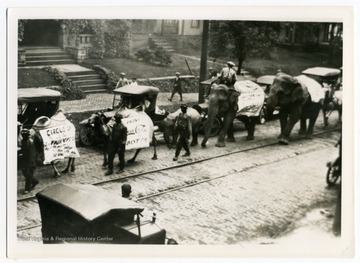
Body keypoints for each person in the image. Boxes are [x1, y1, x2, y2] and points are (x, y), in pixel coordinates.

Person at [20, 129, 39, 194]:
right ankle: (35, 182)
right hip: (27, 161)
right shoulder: (24, 141)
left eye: (24, 135)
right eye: (22, 135)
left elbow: (31, 154)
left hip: (29, 161)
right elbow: (23, 150)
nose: (23, 136)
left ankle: (27, 189)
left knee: (27, 175)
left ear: (27, 135)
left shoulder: (29, 142)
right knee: (26, 174)